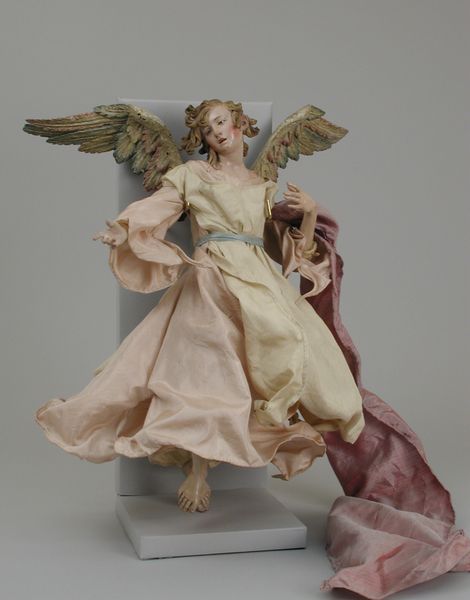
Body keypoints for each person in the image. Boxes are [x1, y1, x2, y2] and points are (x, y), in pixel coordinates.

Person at [36, 99, 365, 513]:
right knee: (203, 372)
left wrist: (311, 213)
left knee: (293, 350)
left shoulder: (261, 185)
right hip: (212, 277)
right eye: (208, 129)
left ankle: (276, 425)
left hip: (259, 282)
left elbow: (290, 252)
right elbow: (159, 206)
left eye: (222, 122)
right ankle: (197, 469)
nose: (217, 133)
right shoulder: (193, 175)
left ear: (240, 124)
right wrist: (127, 229)